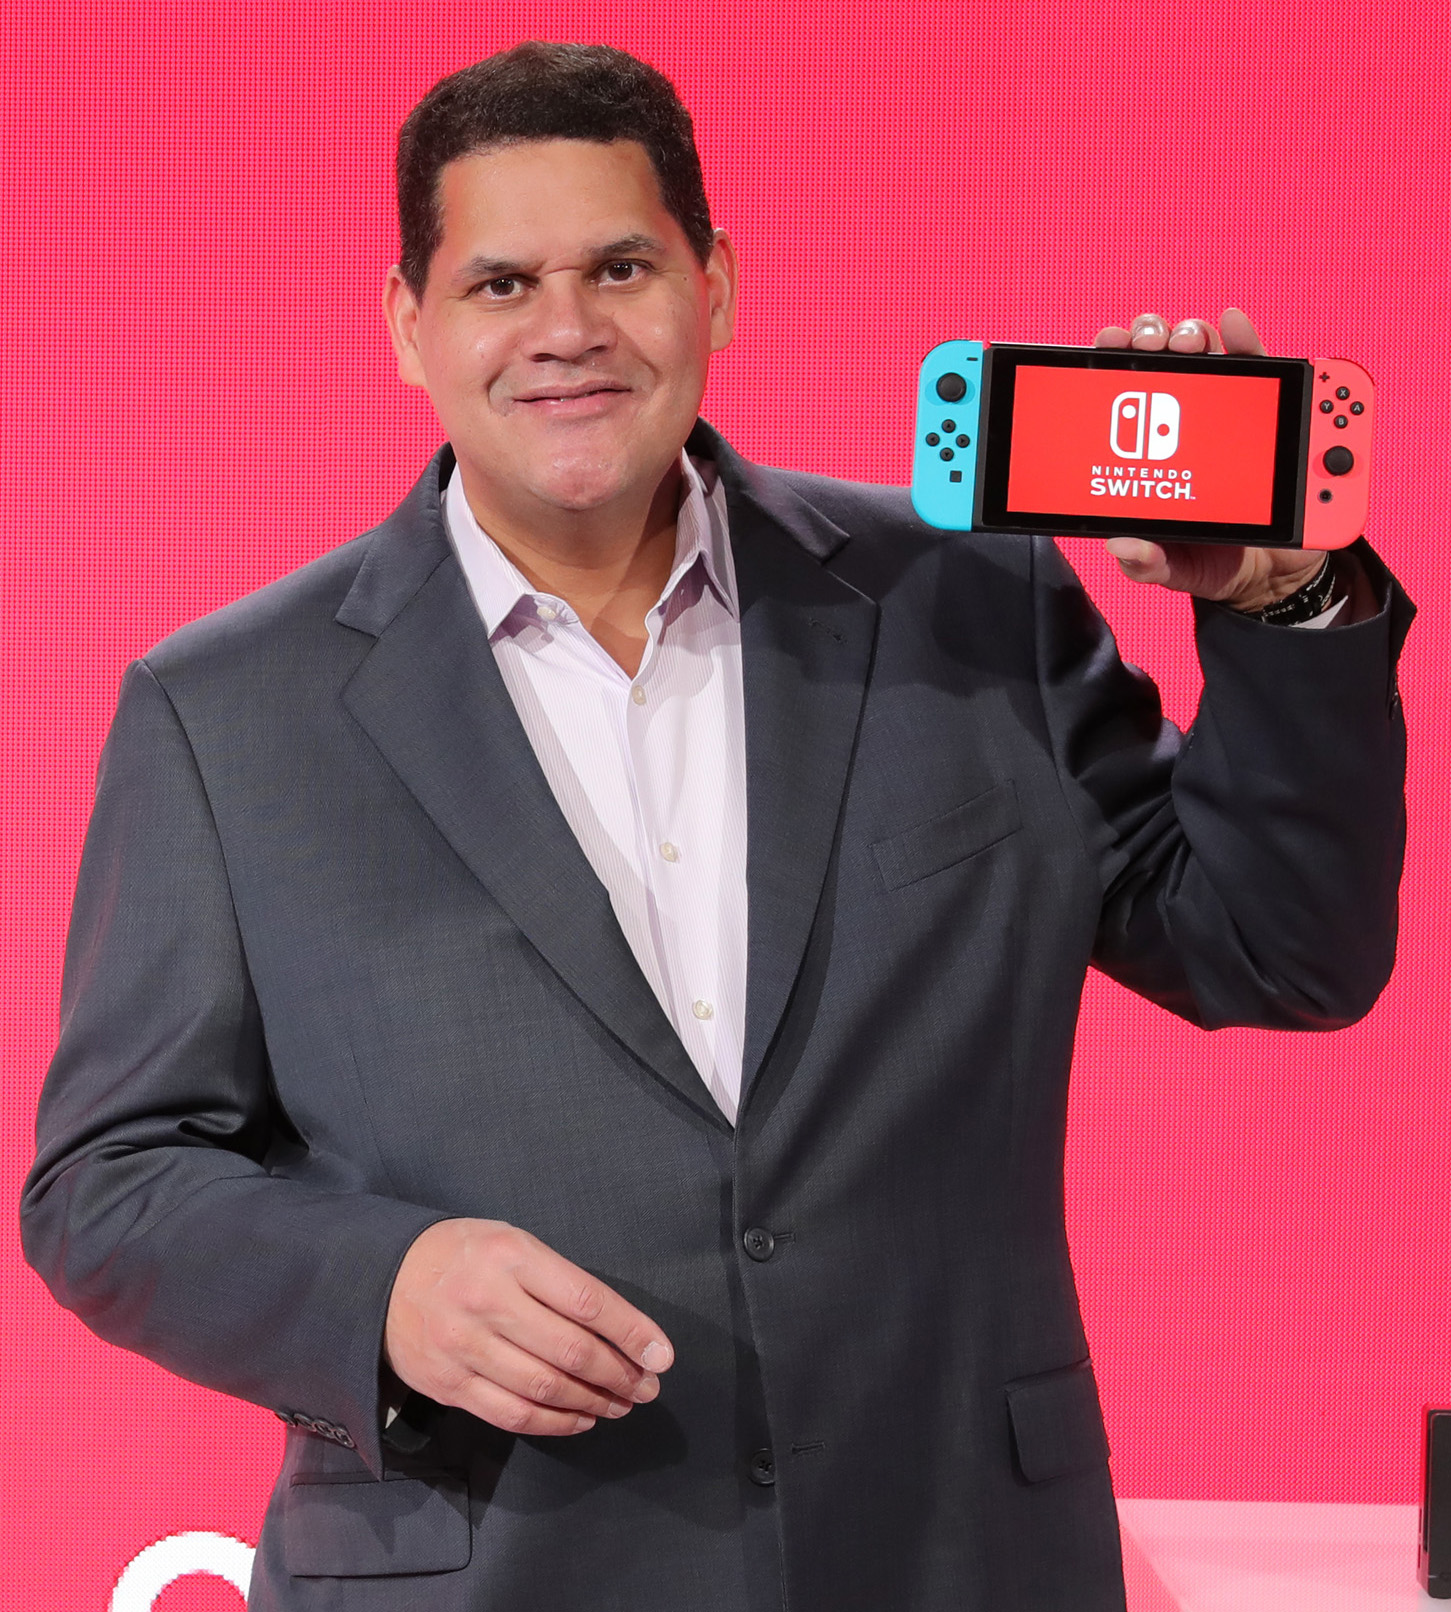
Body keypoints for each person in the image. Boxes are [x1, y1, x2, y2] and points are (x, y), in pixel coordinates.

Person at [21, 41, 1412, 1612]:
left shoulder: (969, 601)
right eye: (499, 284)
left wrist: (1285, 606)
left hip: (950, 1557)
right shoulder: (225, 710)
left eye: (621, 267)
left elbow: (1282, 949)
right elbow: (108, 1183)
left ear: (716, 288)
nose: (567, 328)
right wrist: (385, 1288)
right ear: (408, 324)